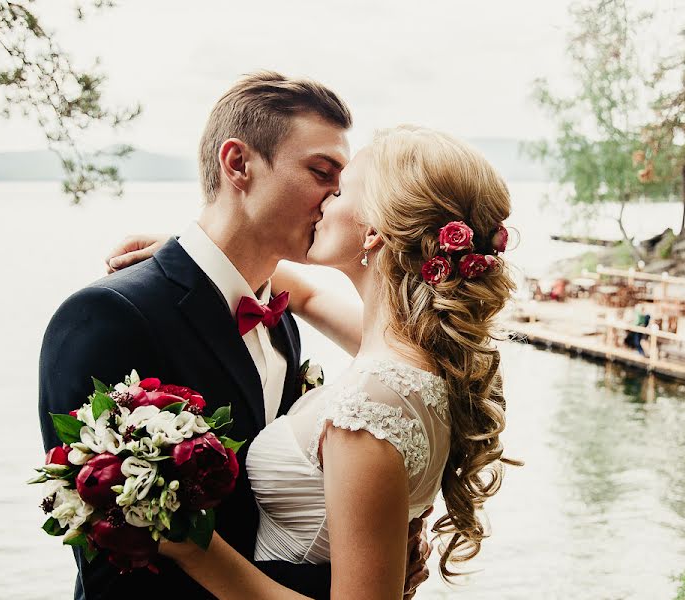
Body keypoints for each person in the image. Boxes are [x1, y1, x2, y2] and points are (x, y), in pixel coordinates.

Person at [39, 72, 429, 600]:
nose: (338, 197)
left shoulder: (282, 319)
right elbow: (112, 561)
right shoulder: (110, 315)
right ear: (238, 164)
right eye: (321, 171)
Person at [106, 123, 519, 599]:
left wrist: (193, 547)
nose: (323, 200)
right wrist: (195, 256)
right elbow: (304, 295)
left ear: (373, 231)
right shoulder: (429, 358)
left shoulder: (369, 409)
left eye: (340, 189)